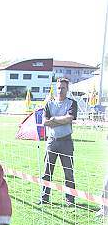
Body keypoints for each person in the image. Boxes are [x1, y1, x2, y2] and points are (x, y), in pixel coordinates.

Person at [38, 78, 77, 206]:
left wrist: (54, 119)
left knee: (68, 172)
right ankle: (44, 198)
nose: (60, 90)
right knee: (46, 171)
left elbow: (69, 118)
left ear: (67, 89)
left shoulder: (72, 103)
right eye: (59, 87)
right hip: (52, 141)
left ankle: (70, 200)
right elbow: (44, 122)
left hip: (66, 142)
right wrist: (60, 120)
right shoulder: (49, 104)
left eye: (63, 88)